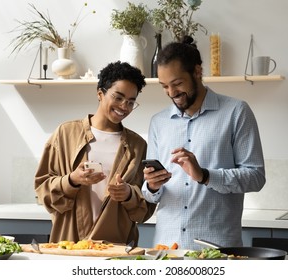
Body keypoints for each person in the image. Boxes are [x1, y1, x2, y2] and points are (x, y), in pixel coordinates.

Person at [142, 37, 266, 250]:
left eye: (178, 83)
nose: (172, 93)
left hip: (217, 249)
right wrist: (152, 185)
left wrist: (205, 175)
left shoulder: (236, 112)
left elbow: (255, 177)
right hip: (166, 249)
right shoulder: (158, 122)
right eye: (165, 86)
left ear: (197, 72)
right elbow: (151, 195)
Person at [35, 61, 156, 245]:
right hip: (69, 245)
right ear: (100, 93)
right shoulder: (65, 133)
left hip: (117, 248)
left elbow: (144, 209)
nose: (124, 106)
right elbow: (42, 190)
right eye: (118, 97)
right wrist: (72, 180)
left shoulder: (137, 145)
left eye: (131, 102)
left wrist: (128, 194)